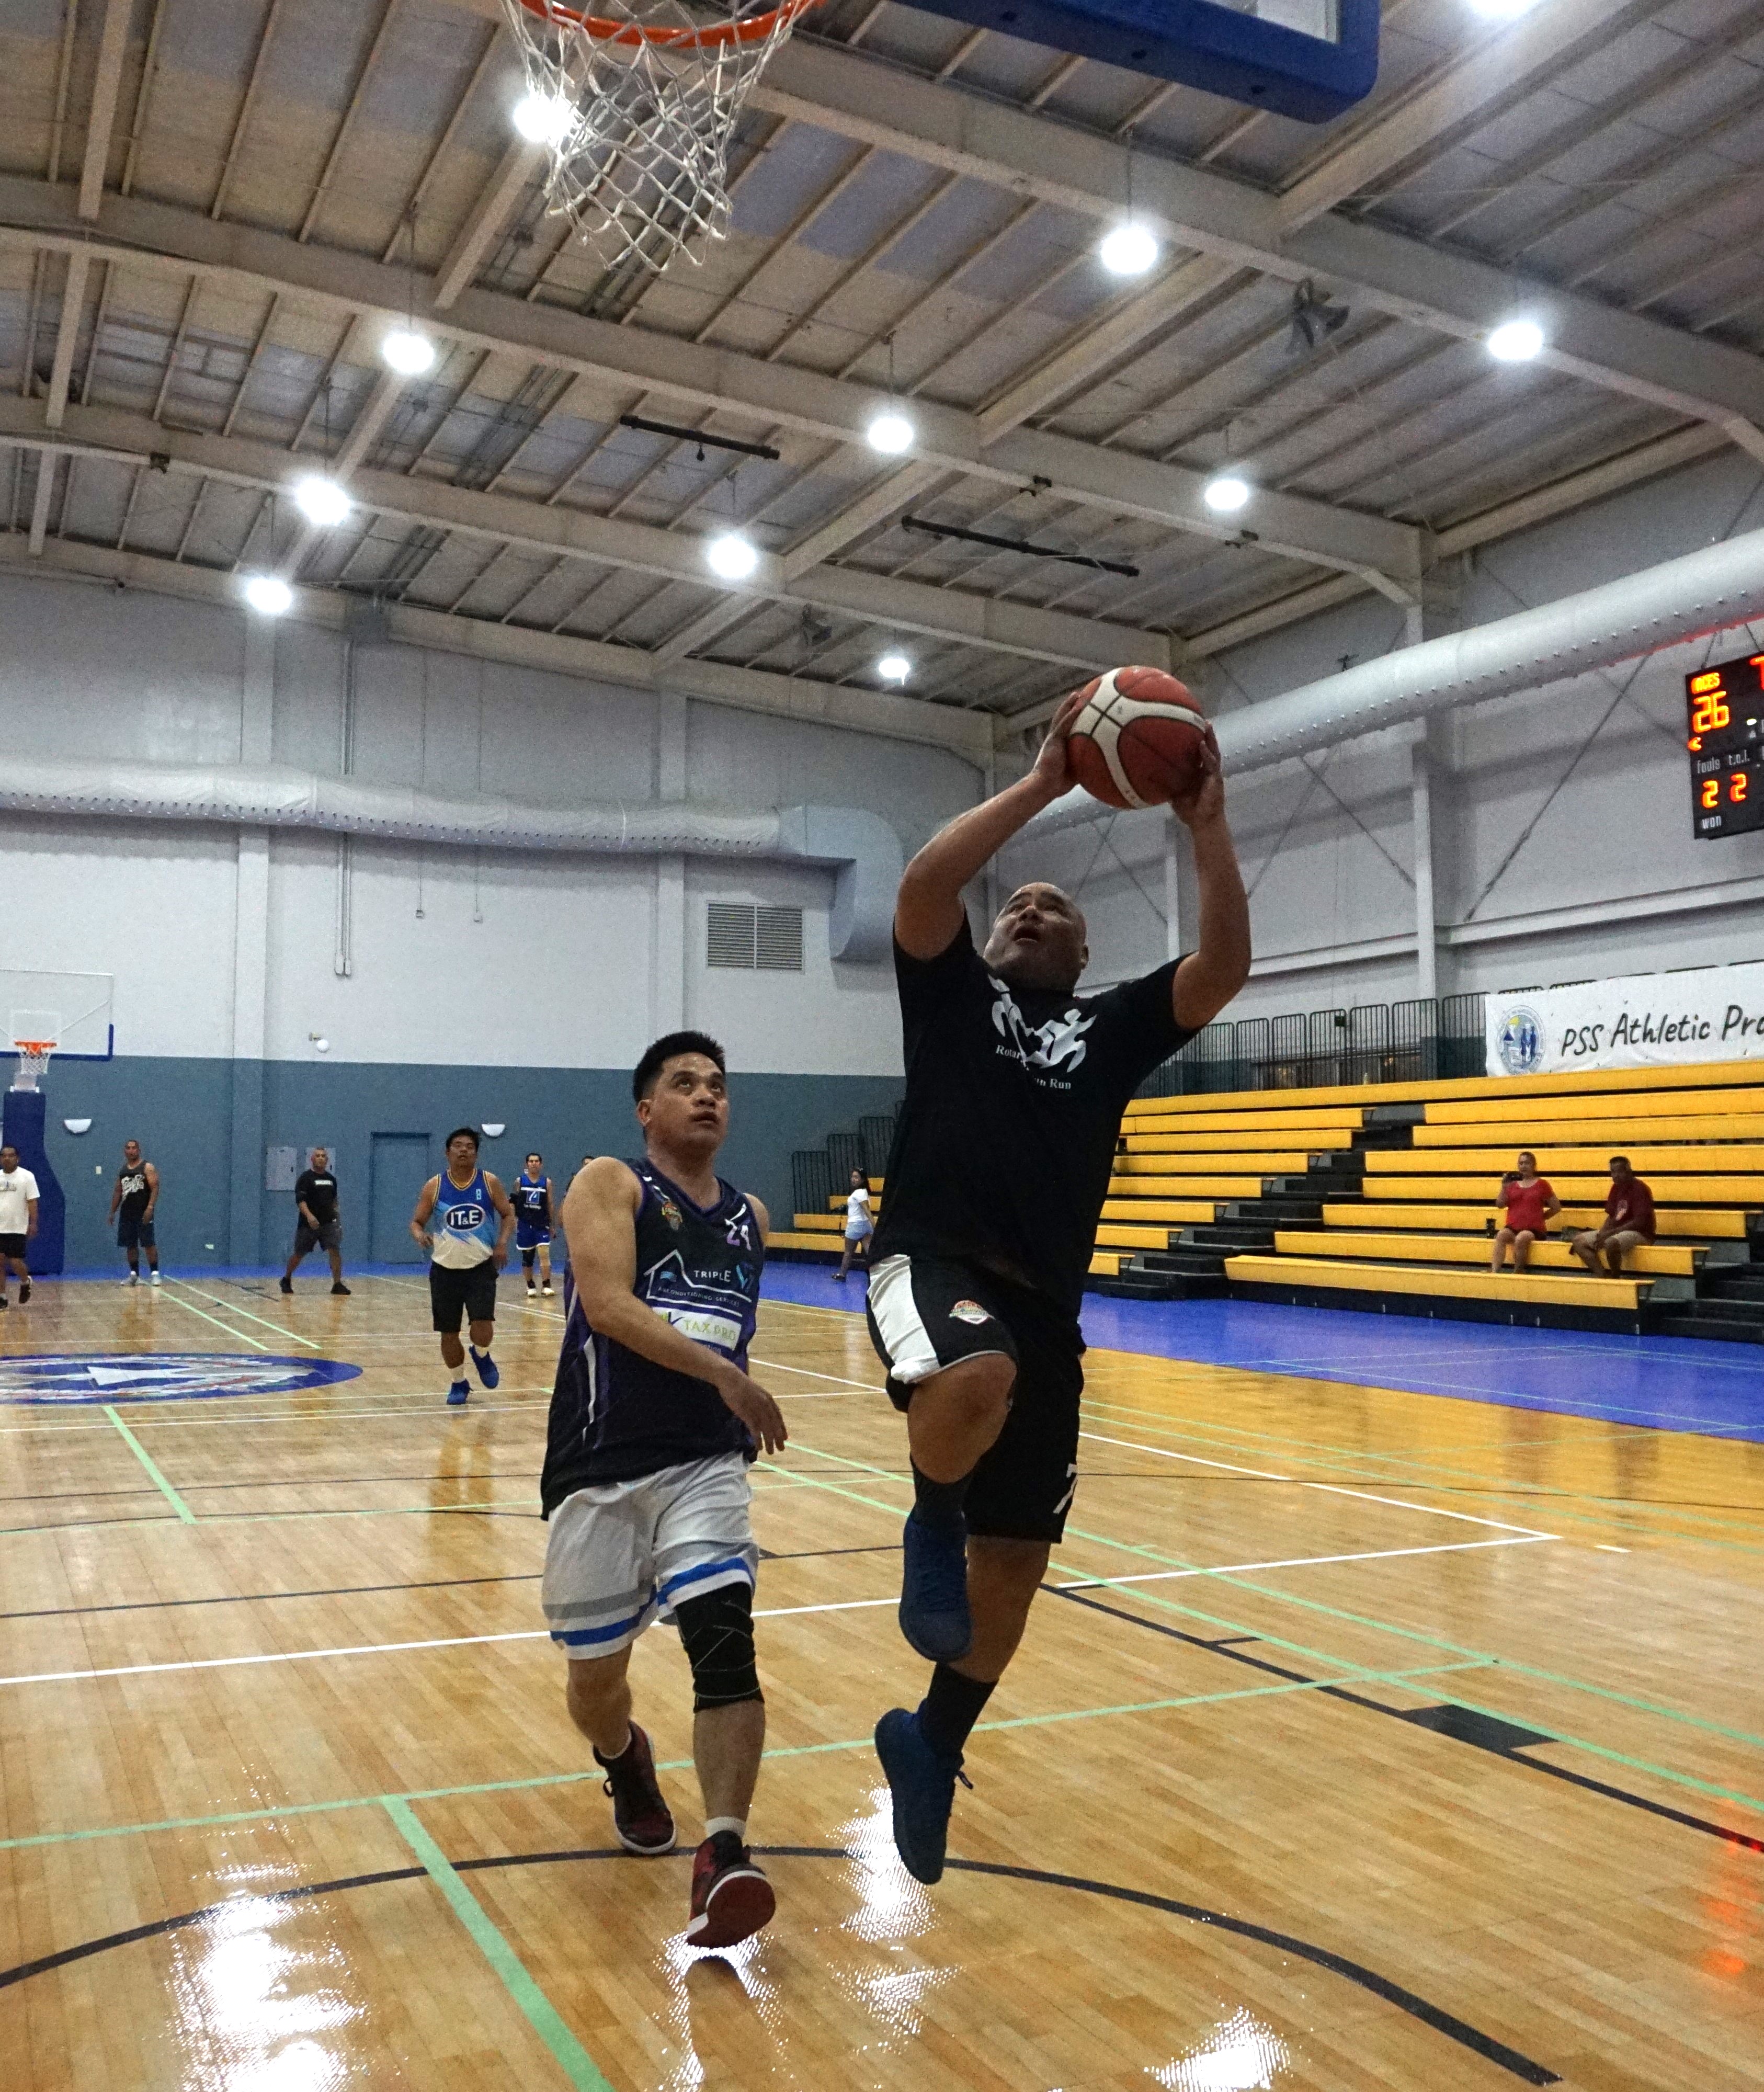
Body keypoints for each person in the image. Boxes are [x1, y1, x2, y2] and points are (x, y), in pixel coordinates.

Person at [863, 687, 1250, 1885]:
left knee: (1019, 1564)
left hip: (1047, 1306)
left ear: (1082, 954)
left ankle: (931, 1742)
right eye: (1016, 904)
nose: (1030, 907)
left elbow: (1223, 967)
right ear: (989, 941)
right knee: (975, 1370)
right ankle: (930, 1518)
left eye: (1056, 907)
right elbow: (923, 888)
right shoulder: (951, 993)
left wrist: (1205, 827)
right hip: (929, 1255)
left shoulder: (1113, 1025)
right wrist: (1043, 781)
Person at [541, 1032, 787, 1949]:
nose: (706, 1095)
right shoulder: (610, 1183)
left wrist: (727, 1395)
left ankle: (725, 1851)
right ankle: (623, 1755)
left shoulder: (751, 1216)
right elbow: (608, 1307)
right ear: (647, 1110)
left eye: (717, 1084)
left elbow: (729, 1329)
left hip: (704, 1463)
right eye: (684, 1084)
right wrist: (727, 1377)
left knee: (725, 1642)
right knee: (595, 1685)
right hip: (599, 1463)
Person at [411, 1129, 514, 1406]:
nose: (464, 1150)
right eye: (457, 1146)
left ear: (476, 1153)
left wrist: (502, 1244)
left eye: (469, 1146)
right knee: (449, 1332)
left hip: (480, 1267)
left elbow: (508, 1214)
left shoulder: (489, 1182)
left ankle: (481, 1354)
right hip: (444, 1270)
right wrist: (419, 1235)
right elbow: (417, 1222)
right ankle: (459, 1382)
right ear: (448, 1152)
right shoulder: (435, 1186)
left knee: (483, 1326)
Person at [281, 1147, 349, 1296]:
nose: (320, 1158)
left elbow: (334, 1201)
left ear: (327, 1160)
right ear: (312, 1159)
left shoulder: (331, 1180)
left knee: (335, 1251)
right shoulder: (305, 1178)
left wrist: (338, 1220)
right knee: (300, 1253)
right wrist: (309, 1216)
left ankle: (337, 1284)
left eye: (323, 1156)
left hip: (329, 1224)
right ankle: (286, 1279)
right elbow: (301, 1201)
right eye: (317, 1156)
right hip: (309, 1225)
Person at [1571, 1155, 1656, 1275]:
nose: (1615, 1176)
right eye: (1613, 1172)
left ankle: (1616, 1277)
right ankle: (1603, 1277)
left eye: (1619, 1172)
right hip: (1617, 1231)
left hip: (1640, 1233)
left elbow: (1639, 1222)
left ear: (1629, 1171)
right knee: (1578, 1241)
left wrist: (1610, 1233)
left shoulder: (1640, 1189)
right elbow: (1611, 1215)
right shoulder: (1616, 1188)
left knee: (1611, 1243)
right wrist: (1602, 1233)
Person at [1489, 1151, 1558, 1273]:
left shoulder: (1542, 1184)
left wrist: (1543, 1217)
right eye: (1521, 1163)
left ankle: (1518, 1271)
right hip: (1513, 1227)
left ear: (1533, 1165)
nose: (1523, 1166)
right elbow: (1500, 1205)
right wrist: (1504, 1188)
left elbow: (1556, 1207)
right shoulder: (1512, 1185)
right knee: (1501, 1235)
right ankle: (1494, 1271)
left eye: (1527, 1163)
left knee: (1521, 1238)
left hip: (1534, 1230)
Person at [109, 1140, 161, 1287]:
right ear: (125, 1151)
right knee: (130, 1244)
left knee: (148, 1243)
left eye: (134, 1148)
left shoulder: (147, 1167)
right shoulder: (123, 1170)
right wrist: (113, 1212)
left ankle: (155, 1274)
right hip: (127, 1213)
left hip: (143, 1212)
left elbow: (155, 1188)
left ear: (139, 1150)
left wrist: (150, 1207)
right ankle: (134, 1275)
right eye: (128, 1148)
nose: (131, 1151)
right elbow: (118, 1191)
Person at [0, 1144, 39, 1307]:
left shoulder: (27, 1177)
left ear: (17, 1158)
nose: (7, 1158)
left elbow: (32, 1201)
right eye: (4, 1156)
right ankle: (2, 1296)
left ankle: (25, 1281)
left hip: (17, 1227)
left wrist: (33, 1223)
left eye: (11, 1155)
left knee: (15, 1262)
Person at [514, 1152, 555, 1297]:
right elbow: (514, 1203)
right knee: (528, 1257)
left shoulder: (547, 1182)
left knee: (544, 1253)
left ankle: (546, 1285)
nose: (534, 1163)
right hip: (525, 1224)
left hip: (541, 1224)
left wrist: (552, 1225)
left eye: (537, 1161)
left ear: (541, 1164)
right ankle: (530, 1285)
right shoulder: (520, 1181)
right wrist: (515, 1221)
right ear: (527, 1164)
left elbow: (550, 1204)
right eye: (531, 1161)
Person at [835, 1166, 873, 1282]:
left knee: (849, 1251)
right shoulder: (865, 1192)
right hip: (866, 1226)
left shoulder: (858, 1193)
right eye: (853, 1177)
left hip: (855, 1226)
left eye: (856, 1177)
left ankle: (842, 1274)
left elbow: (867, 1210)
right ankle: (876, 1273)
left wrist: (875, 1225)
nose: (853, 1179)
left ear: (863, 1179)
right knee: (869, 1251)